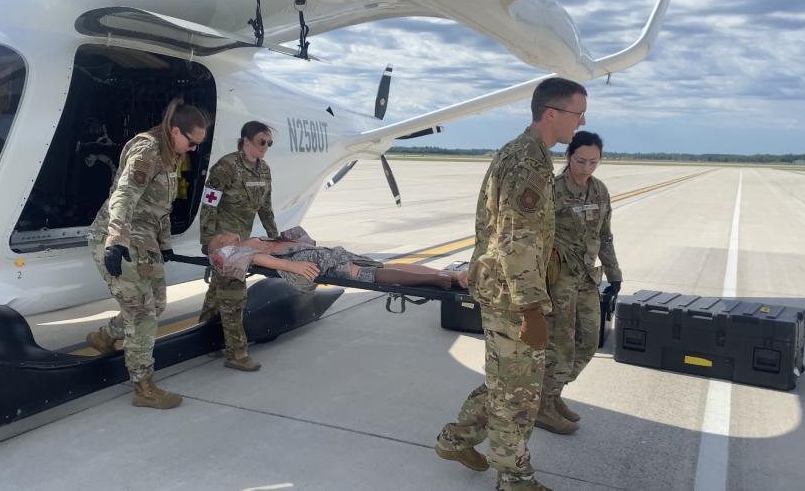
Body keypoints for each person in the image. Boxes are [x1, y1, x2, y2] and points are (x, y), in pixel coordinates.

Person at [434, 77, 587, 491]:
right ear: (552, 114)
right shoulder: (529, 163)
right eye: (578, 113)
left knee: (507, 380)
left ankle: (455, 439)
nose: (583, 121)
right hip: (512, 297)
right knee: (518, 394)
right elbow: (515, 240)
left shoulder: (524, 153)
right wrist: (531, 309)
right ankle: (515, 478)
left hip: (503, 290)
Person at [85, 98, 210, 409]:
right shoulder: (148, 150)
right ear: (175, 130)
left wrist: (164, 244)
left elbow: (161, 208)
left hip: (145, 241)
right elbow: (124, 195)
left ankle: (104, 336)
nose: (194, 149)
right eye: (192, 142)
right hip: (119, 239)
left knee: (158, 304)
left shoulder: (171, 154)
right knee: (142, 314)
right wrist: (115, 240)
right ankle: (143, 387)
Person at [535, 131, 621, 435]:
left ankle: (551, 394)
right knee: (561, 345)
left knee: (588, 342)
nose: (586, 167)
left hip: (586, 278)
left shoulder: (599, 191)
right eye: (581, 160)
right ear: (569, 156)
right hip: (558, 280)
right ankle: (543, 405)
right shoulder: (554, 190)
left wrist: (615, 274)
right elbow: (536, 237)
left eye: (593, 162)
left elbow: (605, 235)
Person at [199, 121, 278, 372]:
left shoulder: (263, 171)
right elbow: (209, 204)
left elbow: (265, 207)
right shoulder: (226, 167)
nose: (265, 147)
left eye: (269, 143)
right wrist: (208, 241)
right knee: (234, 296)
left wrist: (274, 236)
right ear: (246, 141)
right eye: (261, 142)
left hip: (243, 240)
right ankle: (236, 354)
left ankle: (204, 337)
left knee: (218, 288)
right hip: (224, 242)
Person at [205, 226, 469, 291]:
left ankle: (452, 275)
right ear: (222, 248)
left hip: (322, 254)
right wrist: (291, 265)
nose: (227, 235)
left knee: (379, 266)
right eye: (222, 238)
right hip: (309, 261)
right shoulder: (236, 253)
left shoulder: (252, 238)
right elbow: (263, 261)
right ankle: (440, 278)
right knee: (368, 274)